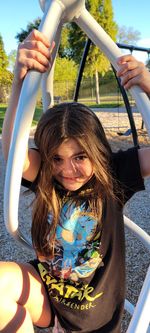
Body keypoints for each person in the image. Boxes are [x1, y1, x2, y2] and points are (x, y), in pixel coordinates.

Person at [1, 29, 150, 333]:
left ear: (97, 152)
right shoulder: (47, 174)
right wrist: (20, 81)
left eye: (80, 157)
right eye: (56, 158)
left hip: (94, 318)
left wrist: (149, 86)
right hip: (50, 298)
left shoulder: (113, 174)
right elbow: (11, 149)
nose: (67, 170)